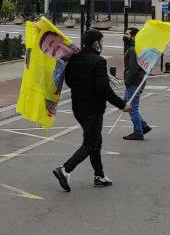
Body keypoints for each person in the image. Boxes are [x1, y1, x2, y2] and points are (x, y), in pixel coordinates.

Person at [52, 29, 130, 192]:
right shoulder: (98, 61)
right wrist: (122, 105)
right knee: (90, 143)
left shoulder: (74, 58)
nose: (102, 44)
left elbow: (70, 81)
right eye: (101, 41)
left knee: (95, 141)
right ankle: (65, 170)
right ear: (96, 43)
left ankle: (99, 176)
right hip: (93, 110)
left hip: (78, 109)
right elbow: (103, 89)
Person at [122, 27, 153, 141]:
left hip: (134, 82)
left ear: (134, 37)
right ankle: (143, 126)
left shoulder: (133, 49)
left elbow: (133, 69)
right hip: (137, 81)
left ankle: (138, 132)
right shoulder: (138, 48)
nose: (124, 36)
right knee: (127, 103)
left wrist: (127, 81)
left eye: (127, 34)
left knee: (132, 108)